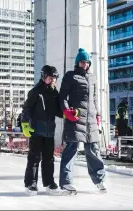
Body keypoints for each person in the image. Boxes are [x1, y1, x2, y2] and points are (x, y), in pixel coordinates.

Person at [58, 48, 106, 193]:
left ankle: (99, 180)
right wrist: (66, 111)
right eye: (82, 62)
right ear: (77, 62)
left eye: (86, 62)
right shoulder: (70, 76)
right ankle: (66, 182)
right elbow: (62, 97)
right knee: (71, 150)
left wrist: (97, 114)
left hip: (90, 119)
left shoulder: (92, 78)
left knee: (93, 150)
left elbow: (94, 98)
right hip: (75, 118)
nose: (84, 64)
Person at [21, 65, 62, 195]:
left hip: (50, 132)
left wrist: (66, 113)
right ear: (44, 76)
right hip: (37, 131)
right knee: (34, 158)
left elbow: (57, 111)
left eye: (54, 78)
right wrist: (25, 125)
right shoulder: (36, 92)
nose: (53, 80)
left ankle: (49, 183)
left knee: (49, 159)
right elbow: (26, 109)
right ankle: (31, 183)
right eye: (50, 77)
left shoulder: (55, 92)